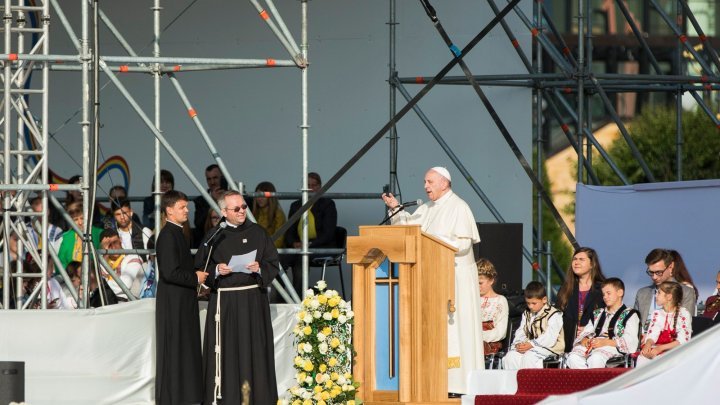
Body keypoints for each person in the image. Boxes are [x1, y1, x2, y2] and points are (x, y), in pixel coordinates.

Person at [381, 166, 482, 395]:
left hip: (455, 279)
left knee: (456, 330)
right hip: (432, 278)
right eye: (425, 182)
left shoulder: (459, 206)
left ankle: (459, 384)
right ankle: (435, 380)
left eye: (430, 182)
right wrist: (396, 208)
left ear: (444, 182)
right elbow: (409, 231)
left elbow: (463, 244)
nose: (425, 186)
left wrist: (434, 238)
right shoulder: (426, 208)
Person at [196, 190, 280, 404]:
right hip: (226, 303)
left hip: (253, 300)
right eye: (237, 208)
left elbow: (273, 263)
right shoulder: (214, 236)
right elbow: (201, 268)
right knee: (228, 352)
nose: (242, 211)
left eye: (244, 207)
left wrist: (260, 268)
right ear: (224, 212)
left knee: (255, 350)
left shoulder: (258, 232)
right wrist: (217, 270)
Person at [154, 190, 206, 405]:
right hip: (174, 304)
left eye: (187, 207)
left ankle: (184, 396)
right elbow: (169, 271)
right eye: (182, 207)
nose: (187, 211)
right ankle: (173, 397)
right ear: (169, 210)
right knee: (175, 350)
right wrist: (196, 277)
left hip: (182, 301)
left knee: (185, 349)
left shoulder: (178, 233)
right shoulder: (168, 235)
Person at [566, 278, 640, 369]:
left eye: (608, 293)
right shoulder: (597, 313)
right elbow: (587, 331)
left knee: (595, 358)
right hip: (593, 345)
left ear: (620, 292)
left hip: (612, 347)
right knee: (572, 358)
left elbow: (630, 340)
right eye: (603, 294)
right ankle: (586, 381)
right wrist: (585, 340)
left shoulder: (630, 314)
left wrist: (606, 342)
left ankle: (595, 382)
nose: (605, 297)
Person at [284, 172, 337, 295]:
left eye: (314, 185)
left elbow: (328, 233)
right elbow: (289, 231)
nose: (311, 188)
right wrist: (293, 243)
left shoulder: (328, 204)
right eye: (308, 185)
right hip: (299, 247)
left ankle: (298, 300)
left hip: (320, 246)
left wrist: (308, 244)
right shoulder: (296, 205)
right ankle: (279, 299)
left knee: (301, 259)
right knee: (277, 260)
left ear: (320, 187)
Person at [502, 281, 564, 369]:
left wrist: (532, 344)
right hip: (530, 347)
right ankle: (514, 382)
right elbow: (522, 331)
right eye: (528, 303)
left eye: (534, 303)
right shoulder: (527, 313)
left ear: (544, 300)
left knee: (530, 357)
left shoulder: (554, 314)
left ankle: (532, 382)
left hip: (550, 348)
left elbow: (550, 337)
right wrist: (519, 344)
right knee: (511, 357)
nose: (530, 306)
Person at [555, 247, 606, 352]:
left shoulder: (603, 289)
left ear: (592, 264)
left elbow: (607, 316)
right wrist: (573, 329)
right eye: (574, 259)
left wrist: (587, 331)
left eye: (581, 259)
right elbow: (557, 316)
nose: (576, 262)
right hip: (568, 341)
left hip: (593, 342)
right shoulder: (566, 288)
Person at [634, 248, 697, 333]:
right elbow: (635, 324)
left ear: (670, 267)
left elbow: (686, 326)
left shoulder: (686, 292)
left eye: (658, 272)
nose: (654, 277)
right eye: (651, 272)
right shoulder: (642, 293)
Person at [637, 281, 692, 367]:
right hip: (658, 349)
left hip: (675, 352)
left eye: (658, 293)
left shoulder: (683, 314)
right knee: (642, 358)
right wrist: (648, 344)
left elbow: (683, 340)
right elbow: (652, 334)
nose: (656, 296)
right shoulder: (657, 314)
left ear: (669, 296)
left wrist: (660, 348)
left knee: (660, 361)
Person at [99, 229, 144, 301]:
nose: (113, 247)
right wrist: (106, 254)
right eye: (109, 245)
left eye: (115, 242)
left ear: (120, 240)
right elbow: (95, 282)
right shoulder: (100, 260)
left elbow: (124, 285)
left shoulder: (133, 257)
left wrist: (102, 285)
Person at [57, 202, 103, 270]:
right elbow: (60, 263)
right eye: (76, 219)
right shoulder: (65, 237)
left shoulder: (100, 233)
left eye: (82, 218)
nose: (80, 222)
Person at [477, 258, 508, 355]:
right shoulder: (472, 299)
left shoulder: (500, 300)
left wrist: (479, 336)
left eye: (480, 283)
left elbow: (501, 331)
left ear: (491, 280)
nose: (477, 286)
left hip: (490, 344)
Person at [193, 164, 228, 243]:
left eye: (215, 178)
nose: (212, 182)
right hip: (209, 241)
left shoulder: (232, 197)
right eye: (209, 179)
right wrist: (213, 201)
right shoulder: (200, 200)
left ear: (222, 177)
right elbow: (198, 223)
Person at [253, 181, 286, 249]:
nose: (259, 199)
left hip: (271, 253)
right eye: (258, 196)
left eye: (263, 196)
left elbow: (279, 240)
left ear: (270, 197)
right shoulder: (253, 213)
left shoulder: (278, 214)